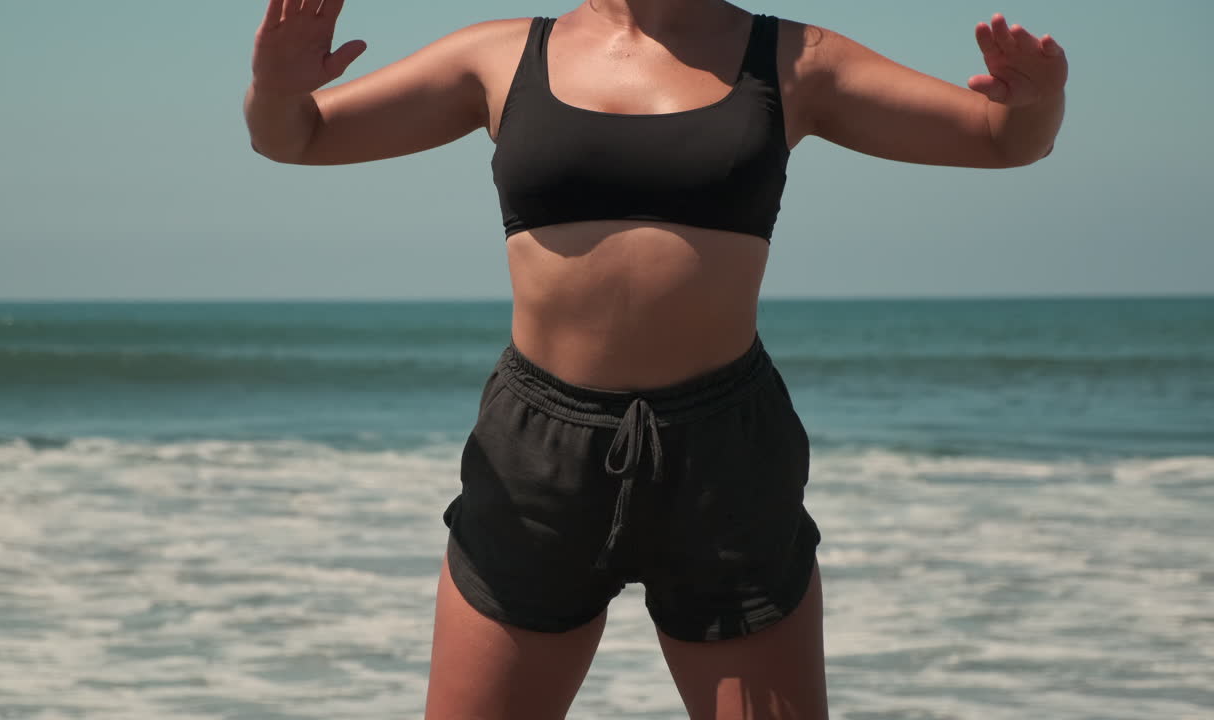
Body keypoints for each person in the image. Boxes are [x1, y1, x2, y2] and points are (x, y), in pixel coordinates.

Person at [244, 0, 1067, 717]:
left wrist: (1038, 104)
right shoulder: (497, 56)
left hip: (723, 453)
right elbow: (298, 137)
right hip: (538, 456)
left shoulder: (794, 58)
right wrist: (276, 91)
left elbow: (1000, 140)